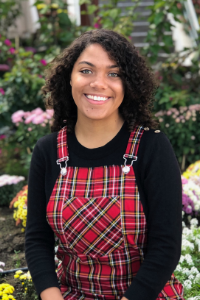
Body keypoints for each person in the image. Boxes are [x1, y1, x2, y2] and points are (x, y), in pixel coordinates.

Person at [25, 29, 184, 300]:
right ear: (69, 78)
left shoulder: (151, 148)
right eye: (86, 70)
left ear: (129, 85)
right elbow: (37, 240)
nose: (99, 83)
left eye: (114, 73)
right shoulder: (47, 151)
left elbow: (166, 247)